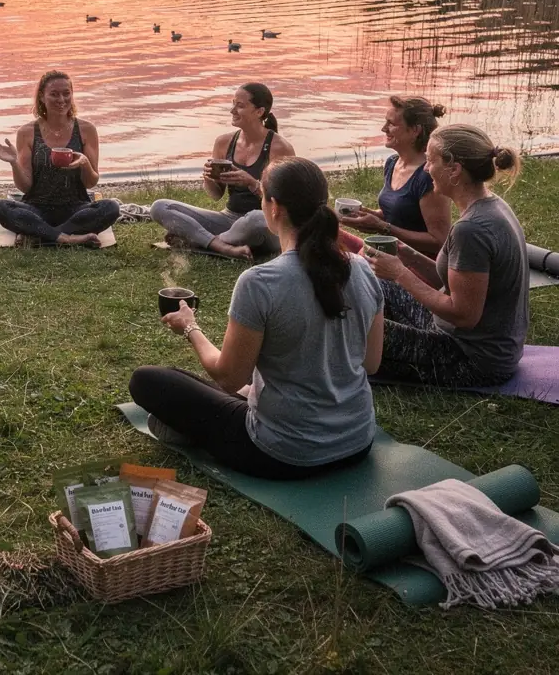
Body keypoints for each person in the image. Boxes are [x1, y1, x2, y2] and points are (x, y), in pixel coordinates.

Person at [130, 158, 384, 479]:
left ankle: (185, 429)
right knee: (197, 388)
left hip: (284, 453)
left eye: (262, 196)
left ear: (274, 207)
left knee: (146, 381)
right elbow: (371, 363)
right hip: (356, 441)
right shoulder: (362, 269)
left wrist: (190, 326)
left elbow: (229, 378)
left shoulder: (259, 282)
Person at [365, 125, 527, 387]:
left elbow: (464, 315)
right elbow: (457, 283)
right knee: (371, 284)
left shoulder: (471, 229)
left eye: (431, 161)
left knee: (355, 329)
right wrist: (408, 255)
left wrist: (399, 273)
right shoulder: (490, 205)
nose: (425, 169)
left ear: (454, 169)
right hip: (453, 334)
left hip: (470, 358)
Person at [150, 83, 294, 259]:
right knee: (160, 207)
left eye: (240, 106)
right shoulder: (223, 142)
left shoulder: (279, 148)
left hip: (266, 223)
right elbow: (216, 195)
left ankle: (201, 239)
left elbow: (286, 204)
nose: (232, 110)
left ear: (259, 112)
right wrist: (209, 178)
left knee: (255, 219)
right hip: (228, 220)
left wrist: (251, 183)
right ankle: (223, 246)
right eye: (233, 104)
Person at [0, 70, 119, 247]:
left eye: (66, 93)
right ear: (42, 97)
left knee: (110, 207)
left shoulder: (86, 130)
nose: (61, 99)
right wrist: (13, 163)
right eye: (54, 94)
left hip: (76, 208)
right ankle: (67, 238)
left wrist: (85, 163)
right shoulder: (27, 132)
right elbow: (25, 187)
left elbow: (91, 183)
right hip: (36, 208)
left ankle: (41, 234)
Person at [340, 96, 451, 257]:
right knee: (331, 235)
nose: (384, 129)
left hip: (417, 266)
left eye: (391, 124)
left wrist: (382, 227)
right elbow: (402, 214)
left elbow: (439, 241)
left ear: (415, 130)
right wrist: (371, 215)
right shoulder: (392, 163)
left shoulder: (428, 175)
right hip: (388, 255)